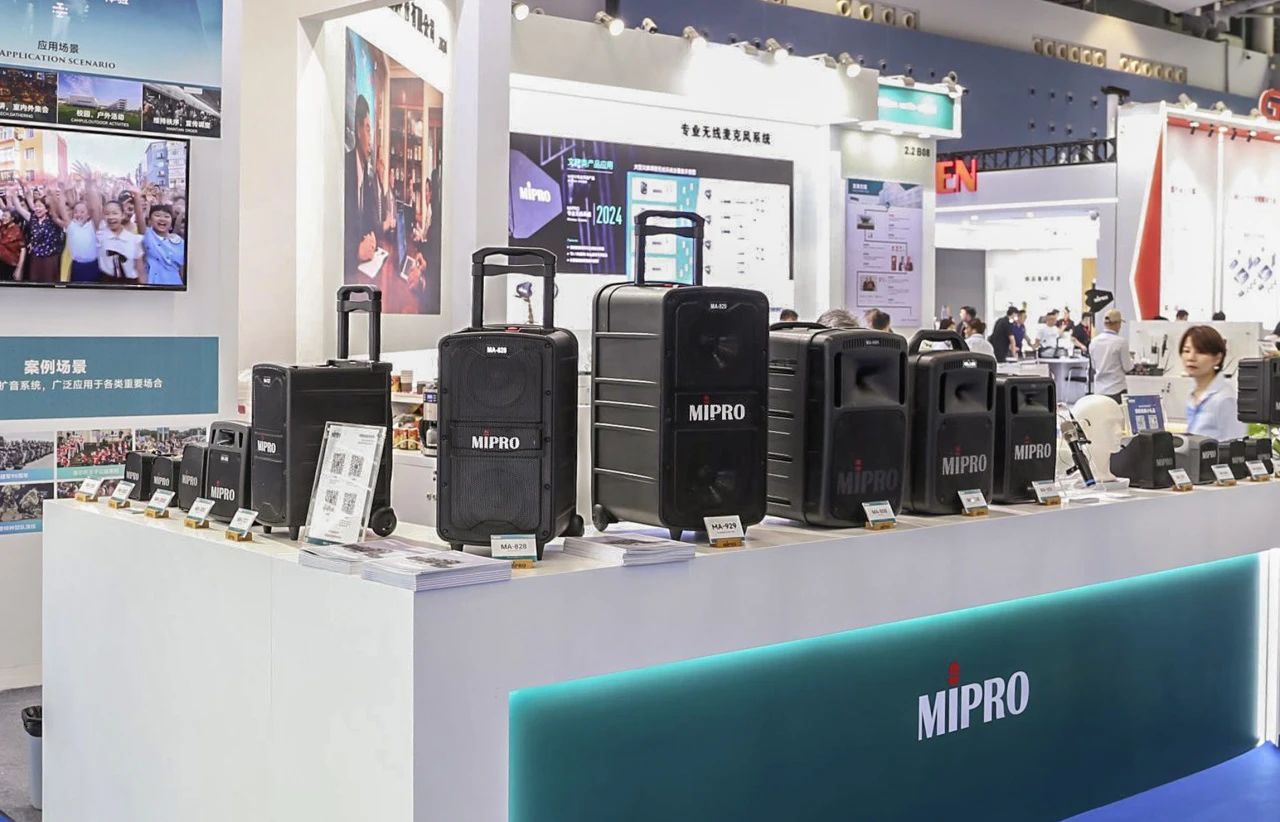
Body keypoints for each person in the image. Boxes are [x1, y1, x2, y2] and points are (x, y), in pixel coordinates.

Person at [1181, 325, 1247, 440]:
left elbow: (1237, 444)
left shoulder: (1225, 399)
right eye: (1186, 351)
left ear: (1217, 358)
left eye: (1200, 352)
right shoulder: (1193, 393)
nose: (1191, 357)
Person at [345, 94, 384, 277]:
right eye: (368, 129)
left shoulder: (367, 179)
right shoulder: (344, 169)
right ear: (358, 129)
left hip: (363, 272)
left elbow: (371, 224)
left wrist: (372, 238)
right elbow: (331, 233)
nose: (371, 138)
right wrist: (355, 252)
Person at [11, 187, 64, 284]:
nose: (37, 208)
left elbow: (57, 207)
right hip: (35, 258)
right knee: (36, 284)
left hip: (50, 259)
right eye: (35, 206)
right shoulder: (32, 219)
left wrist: (51, 194)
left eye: (40, 206)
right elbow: (18, 208)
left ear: (46, 209)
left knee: (50, 284)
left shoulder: (53, 219)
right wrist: (13, 195)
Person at [1089, 308, 1133, 403]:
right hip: (1117, 390)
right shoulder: (1121, 342)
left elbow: (1094, 366)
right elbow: (1127, 367)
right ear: (1117, 324)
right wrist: (1132, 360)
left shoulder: (1094, 342)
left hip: (1099, 391)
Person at [97, 201, 145, 283]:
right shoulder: (100, 236)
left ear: (122, 215)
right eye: (107, 214)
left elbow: (140, 270)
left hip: (130, 282)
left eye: (115, 213)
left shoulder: (134, 240)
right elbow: (93, 208)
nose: (111, 217)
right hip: (107, 281)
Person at [141, 204, 185, 286]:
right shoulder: (148, 236)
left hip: (175, 286)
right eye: (157, 215)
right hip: (152, 286)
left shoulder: (180, 242)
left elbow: (183, 270)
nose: (162, 219)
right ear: (150, 220)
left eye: (166, 216)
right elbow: (141, 222)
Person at [0, 206, 24, 282]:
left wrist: (19, 268)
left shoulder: (17, 231)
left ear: (12, 218)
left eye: (5, 216)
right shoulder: (2, 228)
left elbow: (23, 250)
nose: (3, 218)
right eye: (3, 216)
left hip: (10, 264)